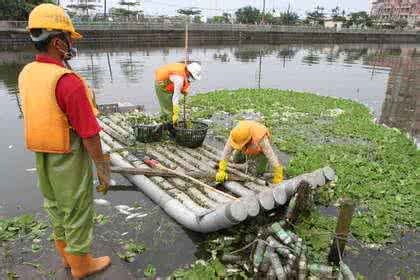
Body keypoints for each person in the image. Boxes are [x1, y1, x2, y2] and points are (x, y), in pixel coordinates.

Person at [18, 4, 111, 279]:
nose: (71, 45)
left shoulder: (26, 73)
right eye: (68, 40)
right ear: (58, 42)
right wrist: (102, 167)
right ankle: (82, 266)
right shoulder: (68, 82)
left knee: (55, 206)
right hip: (67, 154)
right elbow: (89, 133)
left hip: (42, 152)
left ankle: (67, 258)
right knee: (78, 209)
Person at [215, 120, 284, 184]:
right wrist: (222, 169)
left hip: (260, 152)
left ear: (249, 140)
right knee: (236, 160)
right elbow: (227, 150)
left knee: (258, 172)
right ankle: (244, 162)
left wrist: (278, 173)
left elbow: (270, 154)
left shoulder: (260, 137)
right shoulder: (235, 133)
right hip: (246, 147)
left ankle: (257, 162)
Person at [154, 62, 202, 133]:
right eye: (192, 76)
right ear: (189, 72)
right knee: (168, 108)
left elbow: (179, 85)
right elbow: (175, 98)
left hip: (170, 83)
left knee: (170, 108)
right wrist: (176, 112)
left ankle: (166, 123)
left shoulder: (184, 70)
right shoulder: (179, 78)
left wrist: (183, 90)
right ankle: (169, 129)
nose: (191, 78)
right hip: (161, 85)